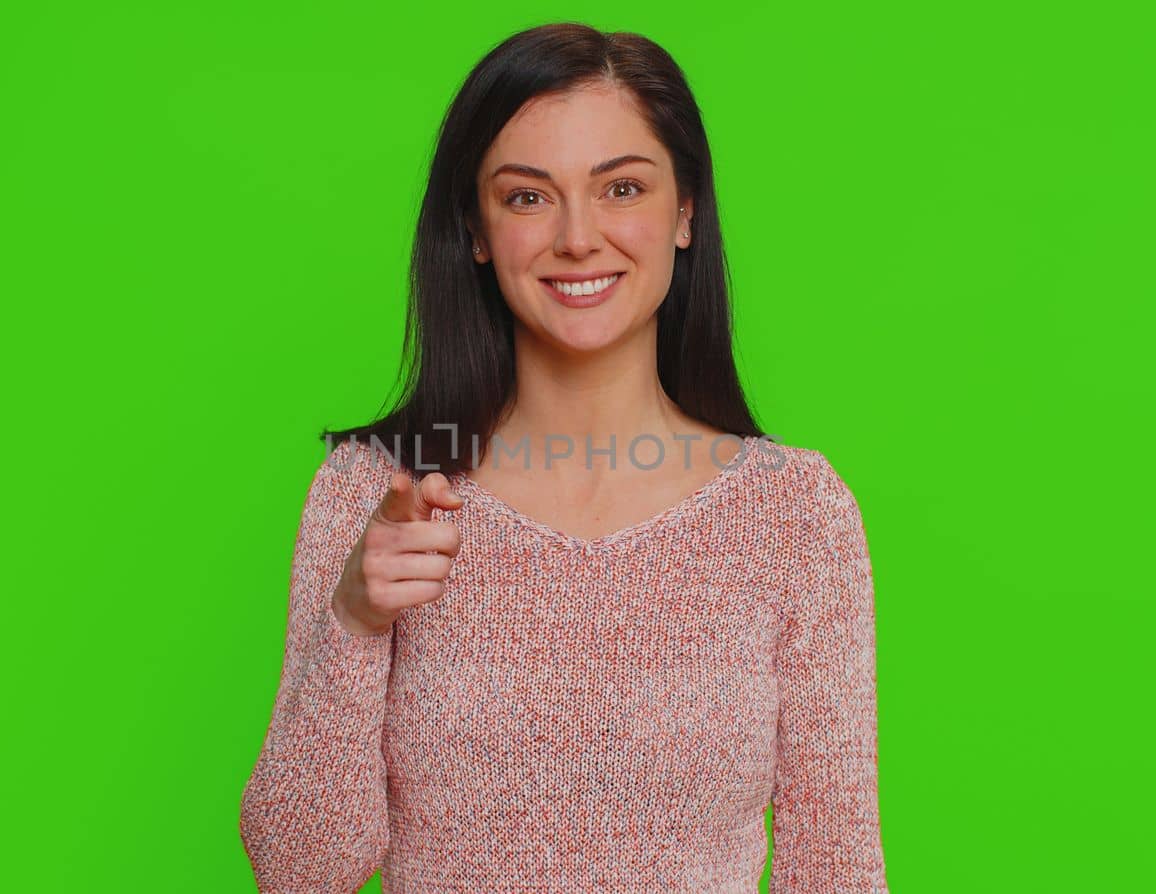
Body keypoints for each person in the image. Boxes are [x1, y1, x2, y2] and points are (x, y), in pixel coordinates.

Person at [239, 21, 890, 893]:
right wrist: (355, 619)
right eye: (528, 197)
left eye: (622, 188)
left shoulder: (795, 512)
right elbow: (296, 871)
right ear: (475, 230)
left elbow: (837, 872)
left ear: (686, 211)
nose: (578, 237)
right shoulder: (374, 489)